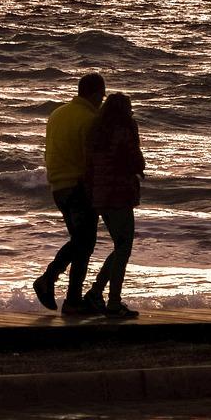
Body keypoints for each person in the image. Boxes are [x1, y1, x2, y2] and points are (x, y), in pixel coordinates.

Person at [34, 73, 106, 315]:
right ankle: (49, 279)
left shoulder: (57, 114)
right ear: (95, 94)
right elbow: (92, 160)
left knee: (81, 242)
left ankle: (73, 301)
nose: (101, 101)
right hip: (78, 187)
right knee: (84, 242)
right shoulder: (90, 119)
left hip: (58, 187)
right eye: (101, 96)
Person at [81, 92, 144, 319]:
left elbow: (90, 166)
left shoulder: (97, 132)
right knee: (124, 247)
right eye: (130, 109)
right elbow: (136, 161)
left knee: (120, 245)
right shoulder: (124, 130)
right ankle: (113, 303)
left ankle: (96, 292)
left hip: (100, 195)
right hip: (119, 194)